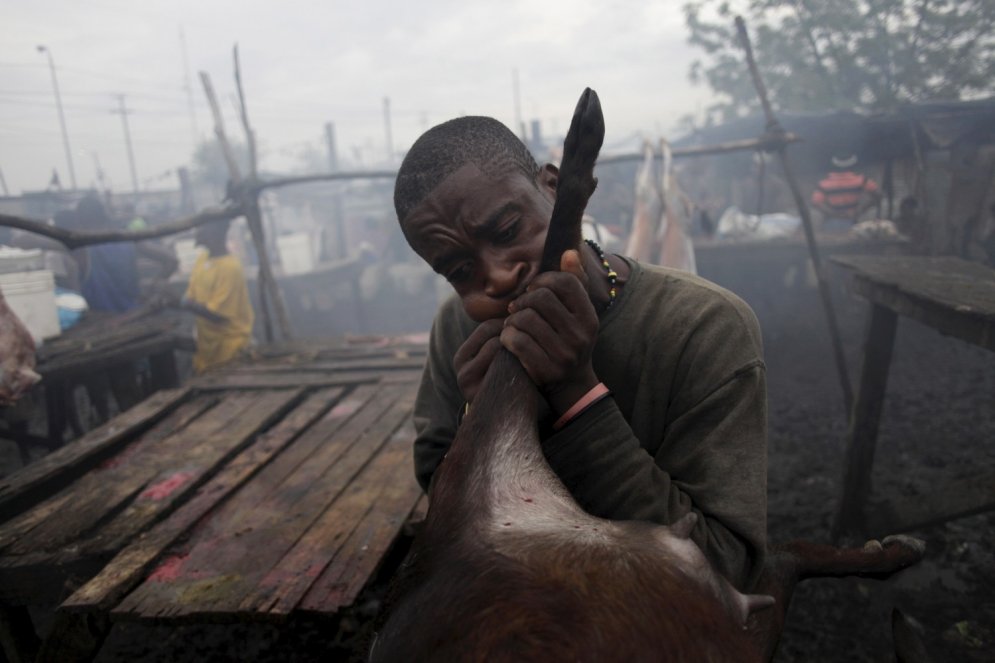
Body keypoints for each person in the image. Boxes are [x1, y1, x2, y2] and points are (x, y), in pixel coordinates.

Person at [395, 117, 767, 591]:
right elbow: (441, 494)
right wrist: (484, 420)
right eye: (460, 269)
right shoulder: (460, 329)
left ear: (552, 188)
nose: (499, 277)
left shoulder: (702, 327)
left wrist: (576, 396)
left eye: (508, 230)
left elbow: (722, 567)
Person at [184, 219, 254, 373]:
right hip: (208, 348)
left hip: (229, 348)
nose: (197, 232)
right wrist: (180, 302)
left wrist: (180, 303)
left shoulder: (230, 268)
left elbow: (218, 315)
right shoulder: (202, 259)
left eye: (201, 228)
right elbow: (191, 297)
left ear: (214, 233)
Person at [810, 154, 882, 233]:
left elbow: (816, 203)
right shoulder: (861, 180)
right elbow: (877, 195)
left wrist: (833, 214)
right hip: (853, 221)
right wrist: (861, 209)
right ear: (852, 166)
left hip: (832, 222)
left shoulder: (823, 184)